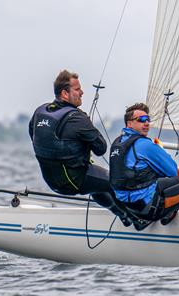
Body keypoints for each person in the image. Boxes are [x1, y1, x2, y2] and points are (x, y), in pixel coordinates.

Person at [29, 69, 135, 224]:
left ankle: (122, 216)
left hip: (51, 181)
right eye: (77, 89)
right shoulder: (77, 118)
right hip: (75, 180)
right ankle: (138, 218)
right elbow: (101, 149)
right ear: (65, 94)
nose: (82, 92)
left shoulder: (40, 111)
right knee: (116, 182)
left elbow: (33, 135)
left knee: (96, 185)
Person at [109, 103, 179, 231]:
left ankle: (167, 216)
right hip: (149, 210)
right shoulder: (144, 145)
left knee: (177, 181)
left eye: (148, 119)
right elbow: (172, 170)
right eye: (141, 120)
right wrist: (159, 149)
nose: (146, 123)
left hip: (129, 207)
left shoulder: (118, 143)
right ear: (129, 124)